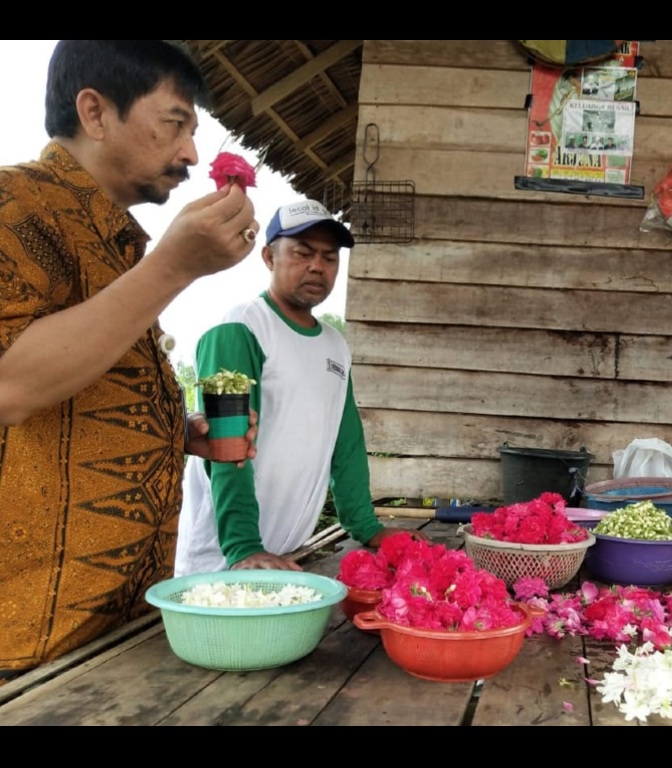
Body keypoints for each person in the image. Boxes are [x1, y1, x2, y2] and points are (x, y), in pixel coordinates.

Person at [0, 41, 260, 674]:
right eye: (175, 122)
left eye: (195, 131)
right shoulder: (16, 206)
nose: (192, 154)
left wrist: (174, 434)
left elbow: (77, 381)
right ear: (94, 112)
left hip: (114, 636)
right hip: (28, 650)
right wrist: (175, 266)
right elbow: (9, 386)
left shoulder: (112, 240)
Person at [175, 200, 422, 576]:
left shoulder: (334, 345)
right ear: (269, 257)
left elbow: (347, 442)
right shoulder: (242, 328)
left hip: (288, 555)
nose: (317, 266)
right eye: (302, 253)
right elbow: (228, 446)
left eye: (329, 257)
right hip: (223, 561)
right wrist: (243, 547)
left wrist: (366, 527)